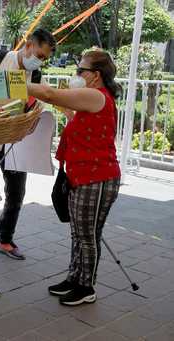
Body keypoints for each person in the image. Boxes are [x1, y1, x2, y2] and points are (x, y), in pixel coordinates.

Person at [27, 49, 121, 306]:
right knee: (79, 233)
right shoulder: (92, 98)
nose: (76, 74)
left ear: (95, 76)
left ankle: (86, 286)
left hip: (97, 177)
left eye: (81, 70)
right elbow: (64, 106)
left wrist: (21, 85)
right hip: (82, 176)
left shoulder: (96, 95)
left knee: (87, 236)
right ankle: (74, 278)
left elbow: (50, 94)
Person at [0, 28, 56, 268]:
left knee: (16, 192)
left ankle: (5, 239)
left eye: (44, 58)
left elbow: (46, 99)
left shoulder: (35, 77)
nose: (39, 61)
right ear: (27, 45)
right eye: (38, 54)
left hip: (17, 141)